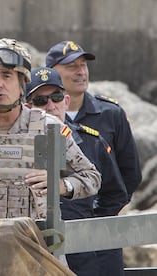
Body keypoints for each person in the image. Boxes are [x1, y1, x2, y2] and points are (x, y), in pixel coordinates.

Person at [0, 38, 101, 219]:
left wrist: (61, 185)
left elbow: (91, 177)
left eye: (7, 75)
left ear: (21, 84)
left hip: (32, 243)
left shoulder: (48, 129)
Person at [46, 41, 142, 276]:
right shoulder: (34, 118)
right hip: (50, 230)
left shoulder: (111, 114)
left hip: (98, 230)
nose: (80, 72)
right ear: (52, 72)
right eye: (71, 66)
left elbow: (129, 175)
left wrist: (98, 216)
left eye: (83, 65)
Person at [26, 66, 127, 276]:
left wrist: (88, 226)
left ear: (66, 101)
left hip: (85, 251)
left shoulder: (91, 141)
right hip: (35, 249)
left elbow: (115, 193)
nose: (50, 106)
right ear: (27, 107)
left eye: (56, 97)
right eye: (40, 101)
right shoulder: (19, 147)